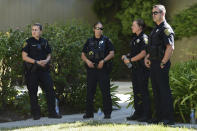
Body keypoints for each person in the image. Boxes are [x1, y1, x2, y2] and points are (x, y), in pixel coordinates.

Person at [22, 23, 62, 120]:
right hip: (32, 72)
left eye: (36, 29)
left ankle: (52, 113)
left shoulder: (44, 42)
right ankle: (36, 115)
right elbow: (24, 57)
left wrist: (46, 61)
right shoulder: (28, 42)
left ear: (41, 31)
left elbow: (49, 54)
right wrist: (36, 62)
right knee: (33, 93)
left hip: (44, 71)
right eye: (33, 29)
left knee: (50, 91)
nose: (34, 31)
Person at [144, 5, 175, 125]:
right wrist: (147, 58)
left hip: (161, 64)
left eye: (155, 13)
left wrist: (163, 62)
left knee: (164, 91)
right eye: (152, 13)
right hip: (154, 63)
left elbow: (170, 47)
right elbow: (152, 48)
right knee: (156, 91)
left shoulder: (166, 28)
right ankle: (158, 117)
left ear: (163, 14)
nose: (153, 15)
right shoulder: (155, 29)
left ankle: (169, 119)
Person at [81, 22, 114, 119]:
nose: (99, 30)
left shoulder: (107, 40)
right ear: (93, 29)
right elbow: (83, 54)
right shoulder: (89, 41)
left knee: (105, 92)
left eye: (101, 28)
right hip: (91, 69)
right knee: (90, 92)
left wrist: (103, 61)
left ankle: (107, 113)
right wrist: (87, 61)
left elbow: (112, 53)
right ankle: (89, 113)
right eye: (97, 28)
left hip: (103, 69)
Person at [122, 19, 151, 122]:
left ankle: (146, 115)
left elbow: (143, 53)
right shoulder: (135, 38)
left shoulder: (144, 38)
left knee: (143, 92)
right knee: (136, 92)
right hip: (135, 69)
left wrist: (130, 60)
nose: (131, 27)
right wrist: (127, 56)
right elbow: (134, 53)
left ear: (140, 27)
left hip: (142, 70)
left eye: (133, 25)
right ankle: (138, 113)